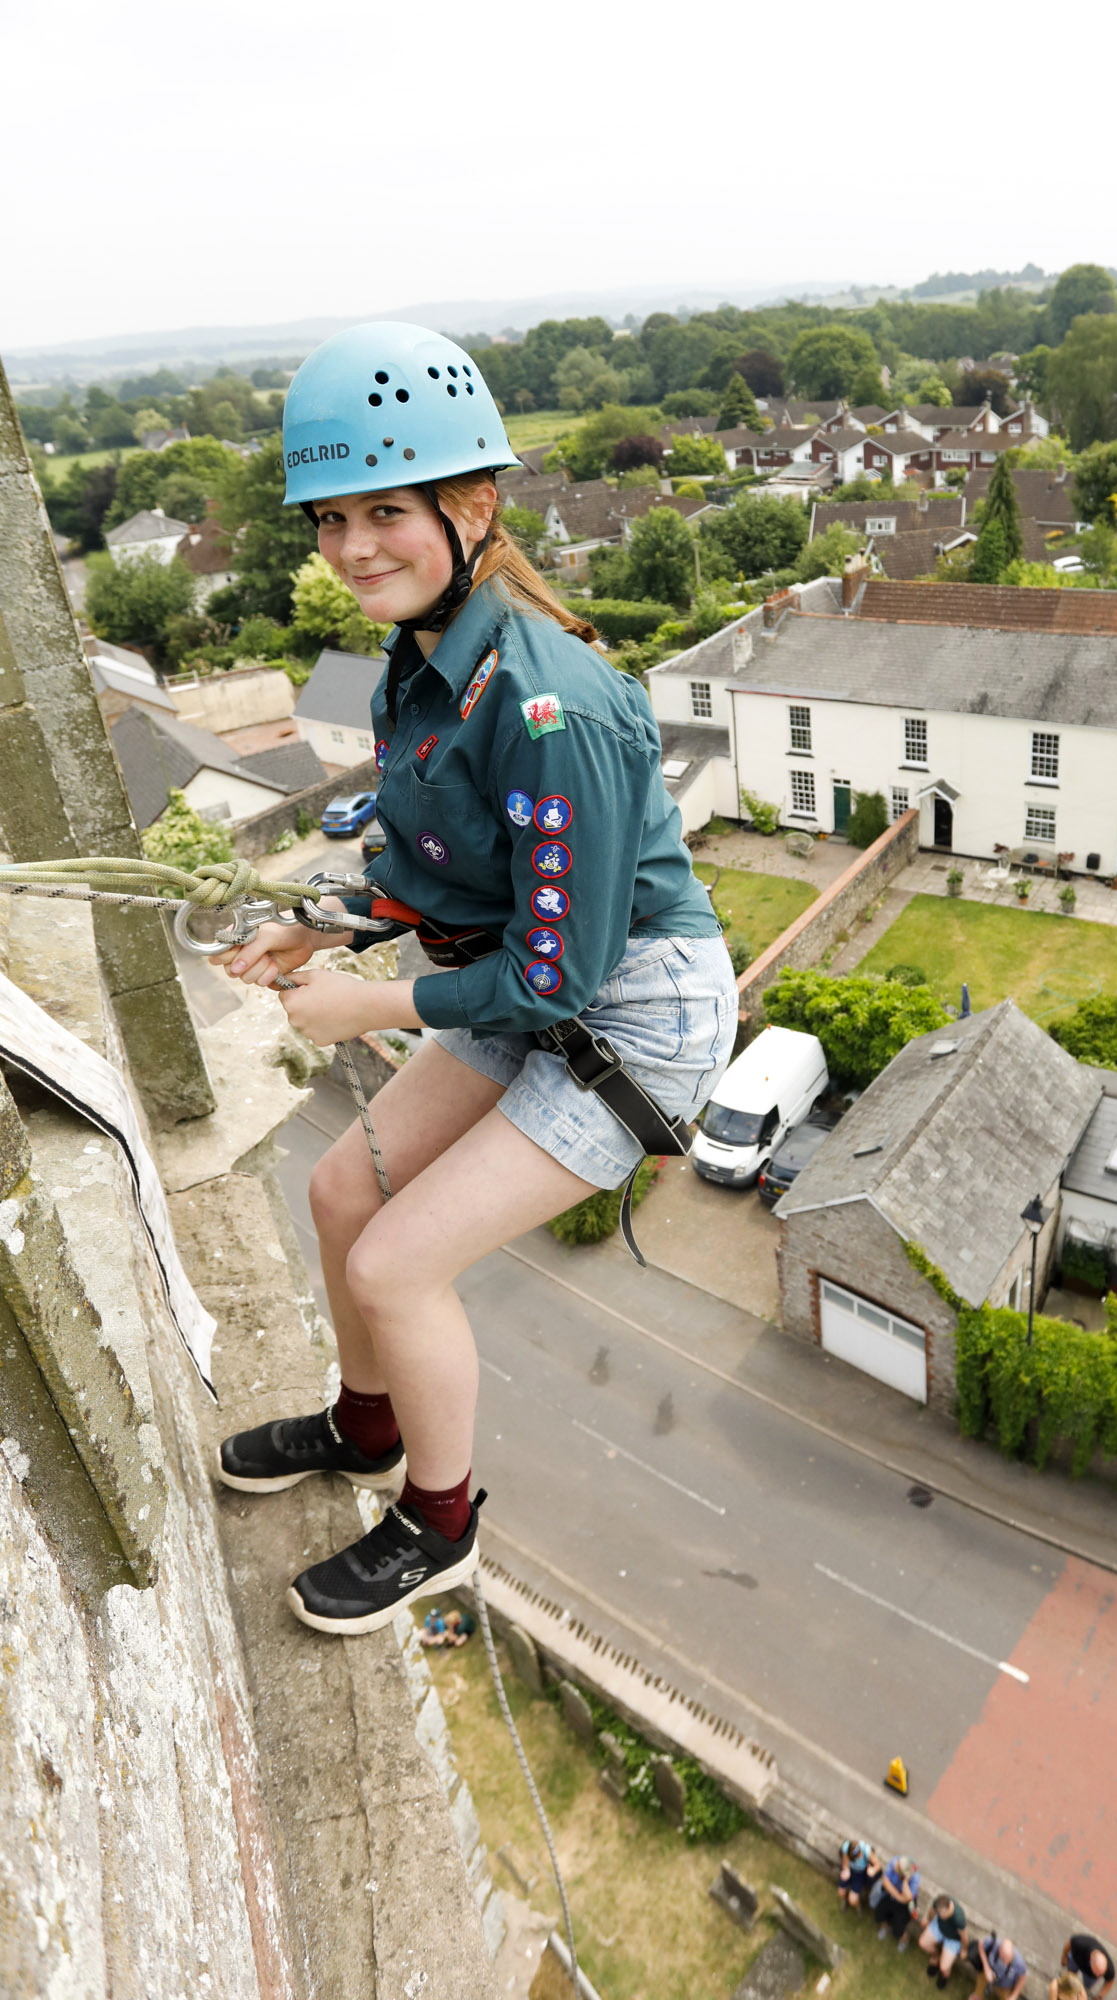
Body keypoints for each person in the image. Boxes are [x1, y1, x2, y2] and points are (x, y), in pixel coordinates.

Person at [212, 323, 736, 1635]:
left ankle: (437, 1526)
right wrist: (326, 927)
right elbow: (446, 866)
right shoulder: (423, 660)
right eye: (331, 519)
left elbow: (556, 974)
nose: (350, 548)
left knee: (397, 1264)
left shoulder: (550, 702)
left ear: (475, 505)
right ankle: (364, 1426)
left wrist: (370, 1004)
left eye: (384, 511)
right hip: (520, 977)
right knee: (342, 1192)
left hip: (629, 1016)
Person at [868, 1853, 919, 1946]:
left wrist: (905, 1882)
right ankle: (885, 1927)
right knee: (880, 1912)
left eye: (898, 1868)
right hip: (893, 1895)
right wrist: (898, 1897)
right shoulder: (895, 1861)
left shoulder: (915, 1878)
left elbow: (908, 1897)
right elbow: (885, 1880)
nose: (895, 1865)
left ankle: (904, 1940)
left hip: (905, 1905)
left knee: (898, 1927)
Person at [918, 1893, 967, 1988]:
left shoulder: (959, 1918)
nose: (941, 1915)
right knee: (923, 1943)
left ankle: (944, 1976)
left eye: (943, 1913)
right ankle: (936, 1956)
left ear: (949, 1907)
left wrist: (964, 1950)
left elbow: (964, 1937)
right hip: (939, 1927)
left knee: (944, 1967)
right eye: (939, 1913)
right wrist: (927, 1919)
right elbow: (932, 1910)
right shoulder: (938, 1903)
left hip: (953, 1938)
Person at [966, 1932, 1028, 1998]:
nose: (1005, 1962)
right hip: (990, 1974)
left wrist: (1014, 1996)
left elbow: (1022, 1978)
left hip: (1005, 1985)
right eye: (1003, 1958)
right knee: (982, 1979)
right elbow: (980, 1944)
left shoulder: (1019, 1963)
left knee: (1006, 1997)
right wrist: (986, 1968)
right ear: (999, 1950)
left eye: (1008, 1960)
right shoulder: (994, 1943)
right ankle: (977, 1996)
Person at [837, 1838, 877, 1910]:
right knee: (840, 1892)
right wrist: (846, 1869)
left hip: (860, 1873)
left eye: (860, 1854)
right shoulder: (846, 1848)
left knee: (853, 1901)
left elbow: (878, 1864)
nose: (860, 1856)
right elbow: (845, 1861)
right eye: (858, 1857)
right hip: (850, 1870)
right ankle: (846, 1900)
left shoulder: (866, 1850)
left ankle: (858, 1907)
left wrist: (873, 1870)